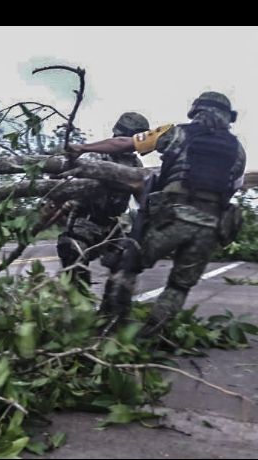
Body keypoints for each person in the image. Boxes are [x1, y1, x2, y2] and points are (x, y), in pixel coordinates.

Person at [67, 92, 246, 336]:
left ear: (196, 112)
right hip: (211, 226)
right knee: (179, 286)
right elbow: (232, 188)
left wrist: (82, 147)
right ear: (227, 118)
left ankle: (111, 323)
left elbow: (124, 143)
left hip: (174, 217)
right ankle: (152, 334)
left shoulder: (176, 132)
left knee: (125, 263)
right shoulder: (238, 150)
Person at [56, 112, 150, 287]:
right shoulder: (100, 154)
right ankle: (79, 301)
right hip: (86, 220)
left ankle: (111, 309)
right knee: (72, 249)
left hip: (112, 225)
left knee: (127, 259)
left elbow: (140, 197)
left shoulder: (136, 164)